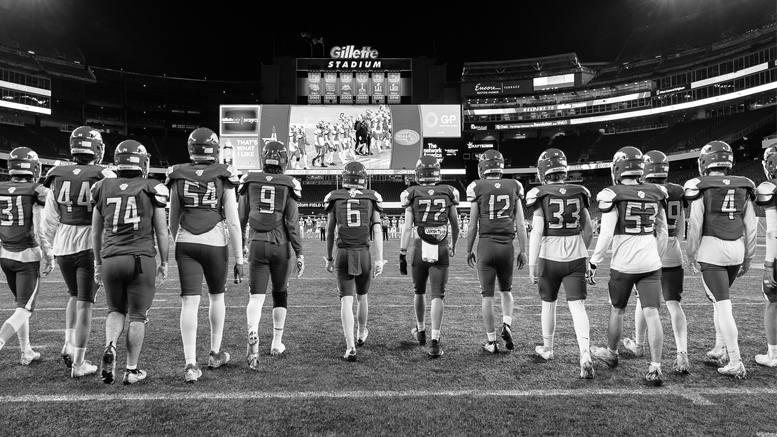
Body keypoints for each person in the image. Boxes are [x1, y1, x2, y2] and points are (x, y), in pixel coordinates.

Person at [166, 127, 244, 383]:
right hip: (214, 242)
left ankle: (190, 364)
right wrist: (239, 258)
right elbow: (233, 221)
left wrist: (179, 241)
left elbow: (173, 218)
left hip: (185, 241)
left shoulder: (177, 174)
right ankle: (214, 353)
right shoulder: (224, 174)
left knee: (189, 302)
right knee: (216, 297)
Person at [588, 146, 668, 386]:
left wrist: (594, 261)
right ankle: (655, 367)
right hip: (651, 263)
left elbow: (606, 235)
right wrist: (657, 258)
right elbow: (662, 232)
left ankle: (612, 354)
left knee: (617, 309)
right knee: (652, 312)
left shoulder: (612, 193)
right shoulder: (657, 191)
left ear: (618, 168)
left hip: (624, 265)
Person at [40, 126, 115, 377]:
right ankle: (79, 362)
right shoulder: (104, 174)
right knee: (86, 304)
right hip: (88, 245)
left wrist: (48, 251)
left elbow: (48, 220)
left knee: (73, 296)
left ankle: (68, 344)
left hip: (63, 244)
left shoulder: (56, 174)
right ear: (96, 149)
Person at [92, 140, 169, 385]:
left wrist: (97, 262)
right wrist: (165, 261)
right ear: (142, 162)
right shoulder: (151, 187)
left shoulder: (102, 186)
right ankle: (131, 369)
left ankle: (110, 346)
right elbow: (162, 232)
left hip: (111, 258)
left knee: (115, 310)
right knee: (137, 315)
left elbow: (96, 233)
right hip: (140, 259)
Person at [685, 140, 756, 379]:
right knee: (719, 302)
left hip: (712, 249)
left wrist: (691, 252)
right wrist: (749, 256)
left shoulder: (699, 185)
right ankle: (719, 348)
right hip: (736, 248)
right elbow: (751, 225)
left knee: (723, 305)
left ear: (705, 162)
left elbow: (695, 224)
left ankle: (735, 359)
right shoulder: (745, 185)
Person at [525, 148, 594, 379]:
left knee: (548, 303)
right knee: (577, 307)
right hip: (575, 255)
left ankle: (548, 348)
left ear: (543, 171)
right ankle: (584, 352)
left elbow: (537, 231)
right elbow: (589, 229)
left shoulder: (540, 192)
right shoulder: (579, 191)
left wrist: (533, 264)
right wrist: (580, 248)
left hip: (548, 256)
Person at [621, 150, 690, 374]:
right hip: (673, 249)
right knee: (673, 303)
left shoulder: (647, 191)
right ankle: (682, 354)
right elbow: (680, 227)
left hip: (650, 250)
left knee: (644, 301)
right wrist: (674, 245)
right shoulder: (678, 191)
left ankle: (639, 345)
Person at [239, 141, 305, 370]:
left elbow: (241, 219)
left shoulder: (249, 180)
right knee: (280, 294)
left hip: (256, 243)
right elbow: (292, 223)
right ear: (284, 160)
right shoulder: (290, 184)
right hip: (281, 245)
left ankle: (253, 331)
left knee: (256, 297)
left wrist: (240, 247)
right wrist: (299, 252)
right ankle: (276, 343)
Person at [465, 150, 527, 354]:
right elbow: (520, 223)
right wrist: (523, 251)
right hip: (507, 245)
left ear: (483, 167)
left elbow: (473, 225)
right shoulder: (514, 186)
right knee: (506, 291)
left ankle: (492, 342)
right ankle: (507, 324)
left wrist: (469, 249)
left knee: (487, 296)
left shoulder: (477, 186)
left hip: (486, 245)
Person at [399, 155, 459, 358]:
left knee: (419, 291)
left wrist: (402, 252)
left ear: (418, 173)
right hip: (441, 245)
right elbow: (455, 225)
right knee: (437, 295)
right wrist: (453, 244)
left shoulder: (411, 193)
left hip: (418, 245)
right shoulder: (448, 192)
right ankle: (435, 340)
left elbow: (407, 229)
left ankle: (421, 331)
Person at [323, 162, 385, 361]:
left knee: (346, 300)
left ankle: (350, 346)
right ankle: (361, 334)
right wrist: (379, 259)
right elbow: (377, 230)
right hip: (364, 252)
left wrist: (330, 258)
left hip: (342, 252)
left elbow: (330, 231)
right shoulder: (371, 197)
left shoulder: (335, 197)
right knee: (362, 297)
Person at [0, 147, 52, 366]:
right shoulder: (37, 190)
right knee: (25, 308)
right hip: (27, 256)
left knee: (20, 306)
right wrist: (49, 253)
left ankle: (26, 351)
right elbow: (40, 228)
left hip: (5, 255)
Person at [756, 146, 777, 368]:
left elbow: (772, 231)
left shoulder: (770, 187)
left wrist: (769, 264)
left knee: (772, 303)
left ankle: (773, 354)